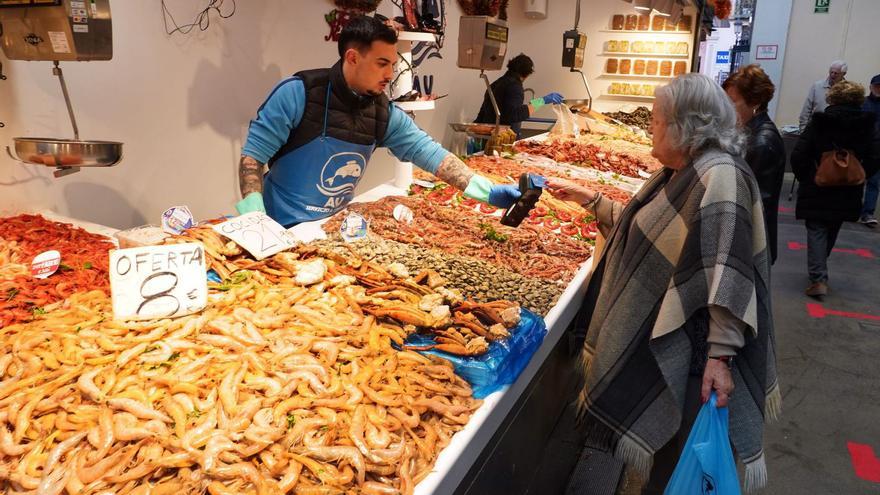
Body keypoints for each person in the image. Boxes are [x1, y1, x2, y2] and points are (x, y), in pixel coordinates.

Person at [546, 74, 779, 494]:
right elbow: (656, 234)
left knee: (678, 466)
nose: (650, 128)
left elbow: (728, 273)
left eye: (656, 120)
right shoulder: (685, 170)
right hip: (681, 348)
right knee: (666, 465)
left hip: (694, 361)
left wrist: (721, 360)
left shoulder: (719, 176)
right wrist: (591, 200)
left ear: (684, 126)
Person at [236, 15, 521, 226]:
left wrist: (486, 191)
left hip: (332, 227)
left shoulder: (383, 113)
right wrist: (254, 216)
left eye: (393, 66)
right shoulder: (298, 94)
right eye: (382, 64)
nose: (389, 74)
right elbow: (252, 159)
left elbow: (432, 155)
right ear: (352, 57)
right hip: (278, 226)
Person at [791, 81, 880, 297]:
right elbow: (875, 156)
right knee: (833, 226)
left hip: (819, 185)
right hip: (848, 188)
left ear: (833, 97)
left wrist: (809, 178)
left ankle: (818, 278)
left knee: (817, 228)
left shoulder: (820, 122)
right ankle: (819, 270)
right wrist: (859, 174)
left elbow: (799, 154)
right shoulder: (867, 125)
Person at [723, 64, 786, 263]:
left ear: (755, 103)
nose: (727, 109)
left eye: (732, 102)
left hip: (751, 245)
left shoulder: (762, 142)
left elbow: (756, 203)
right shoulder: (748, 131)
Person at [474, 53, 563, 138]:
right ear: (527, 74)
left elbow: (482, 113)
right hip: (501, 140)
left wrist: (475, 134)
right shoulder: (515, 86)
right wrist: (542, 101)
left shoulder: (495, 84)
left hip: (487, 137)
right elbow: (515, 114)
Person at [798, 60, 847, 132]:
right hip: (815, 129)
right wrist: (803, 130)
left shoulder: (847, 90)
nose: (832, 75)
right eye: (831, 72)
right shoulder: (817, 86)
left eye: (836, 73)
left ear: (844, 74)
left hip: (836, 131)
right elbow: (806, 110)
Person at [859, 74, 880, 227]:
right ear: (871, 87)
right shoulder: (862, 103)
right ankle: (853, 208)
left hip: (878, 150)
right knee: (856, 179)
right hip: (862, 147)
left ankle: (868, 213)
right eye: (877, 86)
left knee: (874, 182)